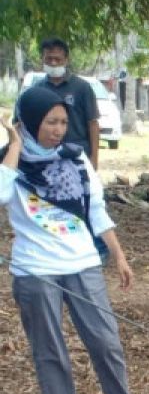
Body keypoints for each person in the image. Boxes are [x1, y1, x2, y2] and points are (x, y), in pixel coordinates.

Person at [0, 88, 149, 394]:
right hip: (35, 270)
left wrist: (118, 255)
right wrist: (14, 143)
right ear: (28, 124)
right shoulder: (9, 164)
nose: (58, 130)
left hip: (83, 262)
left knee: (105, 341)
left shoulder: (75, 158)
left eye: (62, 123)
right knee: (49, 347)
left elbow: (97, 209)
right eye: (50, 123)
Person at [19, 37, 109, 261]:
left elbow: (93, 124)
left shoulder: (81, 87)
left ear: (66, 59)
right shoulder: (37, 89)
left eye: (57, 59)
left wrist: (94, 160)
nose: (53, 62)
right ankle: (62, 251)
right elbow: (21, 125)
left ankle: (99, 251)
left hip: (77, 155)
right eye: (48, 58)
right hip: (46, 161)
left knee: (89, 204)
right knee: (55, 208)